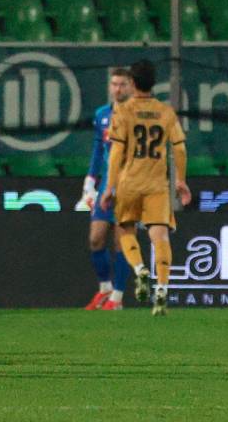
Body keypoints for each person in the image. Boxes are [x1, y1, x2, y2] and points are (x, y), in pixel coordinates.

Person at [100, 59, 191, 316]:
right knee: (160, 237)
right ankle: (161, 288)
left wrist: (110, 186)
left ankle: (140, 269)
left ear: (132, 83)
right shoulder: (166, 112)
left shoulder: (124, 112)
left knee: (125, 230)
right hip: (157, 185)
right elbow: (180, 148)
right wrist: (181, 181)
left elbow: (116, 151)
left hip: (130, 183)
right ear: (153, 83)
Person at [80, 68, 132, 311]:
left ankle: (118, 298)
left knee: (121, 242)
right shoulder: (102, 115)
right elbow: (97, 150)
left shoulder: (136, 115)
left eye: (122, 84)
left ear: (131, 86)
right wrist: (90, 182)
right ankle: (105, 289)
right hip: (105, 187)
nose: (118, 89)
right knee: (95, 238)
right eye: (114, 84)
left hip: (129, 185)